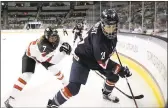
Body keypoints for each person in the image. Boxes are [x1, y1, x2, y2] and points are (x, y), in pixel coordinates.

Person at [47, 9, 132, 108]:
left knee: (113, 76)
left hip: (95, 57)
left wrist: (111, 48)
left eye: (113, 26)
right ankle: (52, 104)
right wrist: (120, 69)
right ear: (103, 25)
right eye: (108, 27)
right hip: (82, 59)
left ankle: (106, 94)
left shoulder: (102, 26)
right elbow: (103, 62)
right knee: (74, 88)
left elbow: (103, 54)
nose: (111, 30)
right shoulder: (99, 41)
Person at [4, 26, 72, 108]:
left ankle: (65, 83)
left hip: (42, 57)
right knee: (26, 75)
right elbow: (54, 61)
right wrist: (63, 53)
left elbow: (59, 40)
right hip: (31, 57)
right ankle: (11, 98)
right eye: (52, 38)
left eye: (55, 37)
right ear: (47, 37)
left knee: (54, 69)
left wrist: (65, 43)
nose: (54, 39)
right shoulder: (44, 46)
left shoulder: (53, 39)